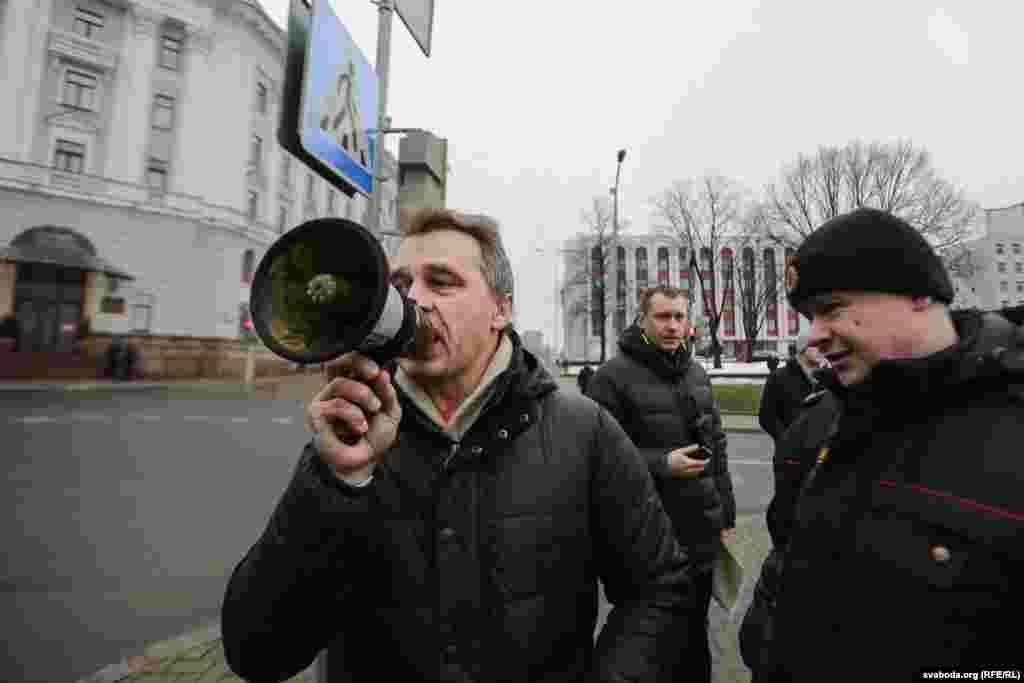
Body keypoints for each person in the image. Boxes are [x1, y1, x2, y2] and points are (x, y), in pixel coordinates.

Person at [221, 208, 696, 683]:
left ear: (501, 310)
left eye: (442, 282)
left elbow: (659, 588)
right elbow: (259, 654)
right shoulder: (352, 436)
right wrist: (335, 482)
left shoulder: (584, 431)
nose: (416, 300)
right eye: (402, 285)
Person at [743, 207, 1024, 680]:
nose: (813, 336)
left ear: (918, 294)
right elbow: (785, 562)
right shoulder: (818, 425)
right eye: (811, 316)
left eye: (832, 309)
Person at [585, 285, 736, 683]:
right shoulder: (611, 378)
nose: (673, 326)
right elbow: (596, 458)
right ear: (642, 321)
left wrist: (727, 517)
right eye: (663, 317)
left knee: (694, 638)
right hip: (644, 536)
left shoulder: (696, 372)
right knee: (649, 642)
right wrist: (662, 463)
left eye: (680, 317)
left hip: (700, 532)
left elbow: (717, 447)